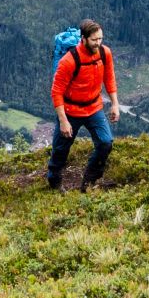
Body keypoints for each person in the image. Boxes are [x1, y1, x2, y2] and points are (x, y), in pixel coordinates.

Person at [47, 19, 118, 190]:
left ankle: (89, 181)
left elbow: (109, 78)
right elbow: (56, 92)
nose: (98, 43)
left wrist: (115, 104)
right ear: (83, 39)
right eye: (94, 40)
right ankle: (54, 183)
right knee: (60, 149)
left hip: (94, 107)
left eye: (100, 38)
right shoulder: (68, 61)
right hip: (70, 111)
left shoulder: (105, 53)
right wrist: (63, 120)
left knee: (105, 143)